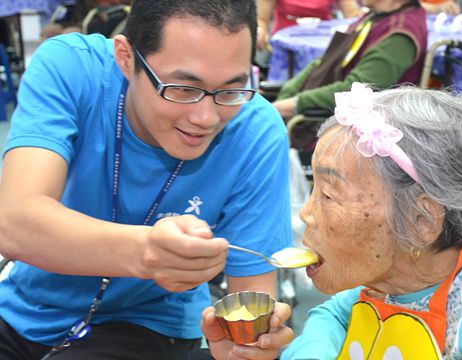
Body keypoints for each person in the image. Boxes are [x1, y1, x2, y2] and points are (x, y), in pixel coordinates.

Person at [0, 0, 294, 359]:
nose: (206, 117)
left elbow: (251, 302)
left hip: (146, 326)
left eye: (231, 90)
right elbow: (13, 221)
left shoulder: (256, 133)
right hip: (22, 309)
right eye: (183, 89)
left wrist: (250, 346)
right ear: (125, 58)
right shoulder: (71, 67)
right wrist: (146, 252)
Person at [280, 83, 462, 359]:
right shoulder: (385, 270)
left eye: (328, 195)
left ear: (421, 221)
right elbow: (332, 314)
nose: (305, 214)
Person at [272, 0, 427, 120]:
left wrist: (295, 104)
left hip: (342, 131)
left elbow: (358, 91)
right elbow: (325, 60)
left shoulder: (398, 36)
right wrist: (289, 92)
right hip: (326, 116)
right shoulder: (375, 16)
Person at [256, 0, 363, 52]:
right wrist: (260, 31)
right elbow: (261, 19)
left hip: (324, 43)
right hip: (287, 44)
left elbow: (352, 15)